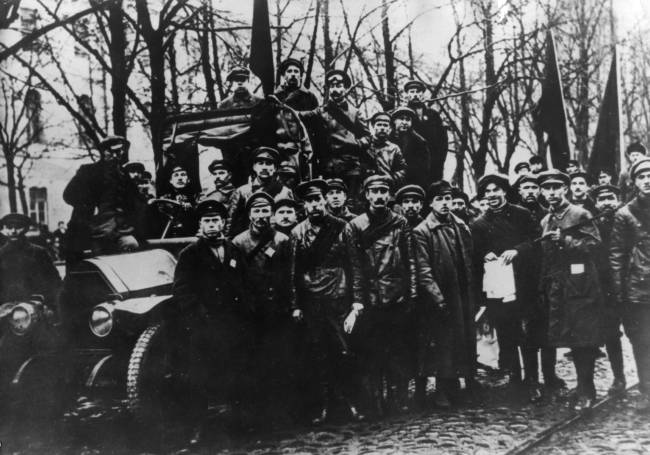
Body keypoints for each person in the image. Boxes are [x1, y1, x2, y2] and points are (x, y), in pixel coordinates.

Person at [172, 200, 250, 444]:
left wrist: (244, 314)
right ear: (200, 225)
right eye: (207, 221)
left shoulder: (235, 250)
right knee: (203, 377)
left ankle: (237, 426)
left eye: (216, 220)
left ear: (224, 223)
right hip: (204, 327)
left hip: (233, 325)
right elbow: (182, 290)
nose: (212, 225)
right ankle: (199, 429)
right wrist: (200, 318)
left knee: (236, 374)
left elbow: (245, 284)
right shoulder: (190, 254)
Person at [289, 179, 363, 424]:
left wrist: (356, 301)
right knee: (318, 355)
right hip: (312, 302)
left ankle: (352, 403)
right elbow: (293, 273)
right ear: (304, 205)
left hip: (339, 299)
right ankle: (323, 407)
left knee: (345, 352)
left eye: (319, 199)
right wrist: (296, 305)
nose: (315, 205)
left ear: (325, 201)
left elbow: (355, 265)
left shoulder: (342, 227)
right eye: (310, 201)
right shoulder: (297, 232)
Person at [471, 174, 543, 402]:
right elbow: (474, 254)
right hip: (497, 289)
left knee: (527, 335)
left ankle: (532, 380)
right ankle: (514, 379)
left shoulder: (522, 214)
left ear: (504, 191)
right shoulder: (479, 224)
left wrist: (518, 250)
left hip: (523, 285)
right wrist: (485, 255)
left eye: (496, 190)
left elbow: (536, 241)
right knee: (506, 333)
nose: (491, 195)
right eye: (487, 192)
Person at [538, 169, 605, 411]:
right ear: (542, 192)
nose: (552, 192)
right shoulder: (546, 220)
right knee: (569, 338)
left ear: (565, 189)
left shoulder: (580, 214)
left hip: (581, 287)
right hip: (557, 288)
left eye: (557, 187)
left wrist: (565, 241)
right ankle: (581, 386)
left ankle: (588, 390)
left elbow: (595, 244)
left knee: (583, 340)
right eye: (547, 188)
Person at [347, 176, 414, 416]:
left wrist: (411, 294)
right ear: (366, 195)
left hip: (396, 297)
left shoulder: (400, 222)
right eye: (373, 191)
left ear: (389, 194)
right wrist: (357, 300)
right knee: (371, 354)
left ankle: (398, 401)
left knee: (398, 352)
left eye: (383, 191)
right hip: (370, 299)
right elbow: (354, 266)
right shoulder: (355, 226)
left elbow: (410, 261)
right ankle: (373, 403)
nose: (379, 196)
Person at [412, 180, 477, 408]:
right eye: (439, 199)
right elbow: (424, 270)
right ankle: (442, 390)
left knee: (463, 340)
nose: (445, 203)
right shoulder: (422, 231)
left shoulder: (460, 226)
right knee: (442, 343)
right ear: (430, 203)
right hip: (441, 296)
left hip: (462, 293)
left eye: (448, 198)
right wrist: (438, 299)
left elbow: (469, 261)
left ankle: (459, 386)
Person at [232, 192, 295, 424]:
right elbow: (236, 278)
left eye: (265, 210)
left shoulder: (282, 240)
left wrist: (290, 305)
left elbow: (290, 276)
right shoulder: (238, 242)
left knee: (280, 358)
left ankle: (282, 412)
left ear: (272, 214)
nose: (261, 216)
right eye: (256, 211)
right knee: (254, 361)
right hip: (252, 311)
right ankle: (258, 415)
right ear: (249, 214)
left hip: (278, 308)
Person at [610, 157, 650, 412]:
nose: (648, 181)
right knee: (643, 341)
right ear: (635, 182)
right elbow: (616, 255)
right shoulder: (624, 214)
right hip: (638, 291)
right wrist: (619, 292)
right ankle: (648, 391)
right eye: (642, 177)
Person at [299, 69, 371, 207]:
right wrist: (281, 106)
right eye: (332, 86)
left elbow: (367, 136)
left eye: (339, 86)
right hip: (329, 168)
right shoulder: (321, 111)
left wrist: (355, 144)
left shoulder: (355, 112)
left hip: (351, 167)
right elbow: (301, 116)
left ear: (345, 88)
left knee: (351, 204)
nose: (335, 90)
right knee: (331, 204)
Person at [63, 135, 140, 264]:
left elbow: (134, 201)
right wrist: (88, 207)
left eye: (121, 151)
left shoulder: (123, 174)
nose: (118, 155)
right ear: (104, 152)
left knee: (132, 245)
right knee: (100, 263)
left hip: (119, 229)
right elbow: (68, 195)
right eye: (114, 151)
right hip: (94, 229)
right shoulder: (88, 171)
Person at [591, 184, 626, 395]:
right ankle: (619, 377)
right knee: (612, 334)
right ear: (596, 204)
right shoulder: (593, 225)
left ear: (618, 200)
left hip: (630, 284)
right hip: (606, 289)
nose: (606, 202)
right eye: (602, 199)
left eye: (611, 198)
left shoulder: (627, 220)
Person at [227, 147, 294, 237]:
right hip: (250, 240)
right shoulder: (242, 191)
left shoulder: (284, 192)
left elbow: (291, 219)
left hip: (276, 239)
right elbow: (231, 220)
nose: (264, 167)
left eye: (269, 163)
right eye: (260, 163)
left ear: (275, 168)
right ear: (254, 167)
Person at [0, 213, 61, 309]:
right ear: (4, 229)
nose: (13, 231)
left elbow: (54, 281)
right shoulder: (1, 254)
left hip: (35, 306)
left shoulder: (38, 252)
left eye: (18, 227)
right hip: (6, 308)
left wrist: (49, 304)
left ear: (26, 229)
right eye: (9, 227)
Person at [402, 80, 448, 181]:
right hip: (412, 165)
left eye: (418, 92)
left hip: (434, 165)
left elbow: (443, 140)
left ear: (422, 94)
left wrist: (440, 160)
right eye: (412, 92)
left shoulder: (433, 115)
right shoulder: (403, 116)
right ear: (407, 94)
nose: (415, 95)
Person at [390, 106, 433, 190]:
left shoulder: (419, 142)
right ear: (394, 121)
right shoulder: (387, 139)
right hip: (390, 183)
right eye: (401, 119)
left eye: (408, 119)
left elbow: (423, 169)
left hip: (411, 184)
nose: (404, 122)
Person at [364, 112, 406, 187]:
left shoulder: (394, 148)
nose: (382, 128)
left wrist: (391, 178)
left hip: (388, 186)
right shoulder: (366, 146)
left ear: (389, 128)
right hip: (368, 186)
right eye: (379, 125)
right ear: (374, 127)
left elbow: (402, 169)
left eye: (385, 125)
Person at [158, 164, 199, 237]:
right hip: (169, 236)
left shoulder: (196, 197)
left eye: (183, 175)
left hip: (192, 235)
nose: (180, 178)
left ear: (188, 180)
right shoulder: (164, 199)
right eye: (176, 175)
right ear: (171, 181)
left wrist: (191, 209)